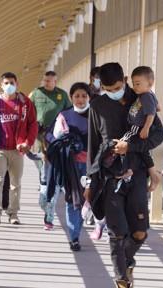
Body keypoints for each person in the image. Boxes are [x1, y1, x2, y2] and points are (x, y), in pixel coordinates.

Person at [85, 62, 163, 288]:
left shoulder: (141, 98)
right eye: (107, 88)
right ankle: (121, 283)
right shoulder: (97, 105)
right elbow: (93, 145)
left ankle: (126, 262)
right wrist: (90, 180)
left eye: (117, 87)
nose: (112, 92)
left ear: (126, 80)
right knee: (117, 234)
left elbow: (158, 135)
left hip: (137, 174)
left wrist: (133, 148)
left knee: (140, 233)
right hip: (109, 177)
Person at [0, 72, 38, 225]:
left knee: (15, 183)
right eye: (6, 83)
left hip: (17, 149)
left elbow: (33, 124)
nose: (9, 86)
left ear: (17, 84)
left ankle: (13, 213)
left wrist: (28, 142)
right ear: (1, 85)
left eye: (12, 83)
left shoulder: (24, 103)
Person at [45, 82, 91, 251]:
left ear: (89, 97)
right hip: (70, 165)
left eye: (84, 96)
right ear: (71, 97)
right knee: (72, 200)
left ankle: (88, 226)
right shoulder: (64, 115)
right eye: (77, 96)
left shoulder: (96, 116)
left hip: (91, 167)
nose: (80, 99)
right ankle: (74, 237)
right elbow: (52, 137)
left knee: (88, 198)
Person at [29, 71, 71, 230]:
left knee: (50, 165)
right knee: (40, 161)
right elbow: (28, 110)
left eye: (50, 81)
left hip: (55, 135)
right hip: (39, 134)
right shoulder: (36, 93)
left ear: (55, 81)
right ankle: (44, 182)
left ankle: (48, 187)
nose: (47, 83)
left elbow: (69, 112)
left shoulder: (62, 95)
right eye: (45, 80)